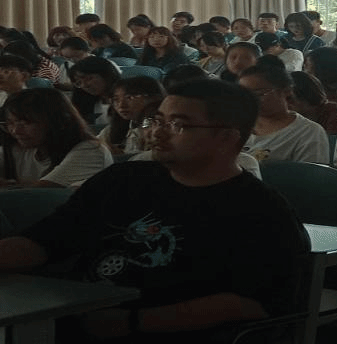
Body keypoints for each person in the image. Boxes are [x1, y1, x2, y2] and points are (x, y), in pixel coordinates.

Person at [0, 79, 309, 341]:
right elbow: (43, 241)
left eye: (178, 125)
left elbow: (251, 304)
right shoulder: (123, 180)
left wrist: (130, 322)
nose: (157, 133)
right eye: (157, 121)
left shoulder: (261, 211)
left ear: (227, 137)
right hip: (74, 316)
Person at [0, 88, 112, 187]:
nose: (15, 131)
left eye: (26, 123)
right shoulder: (18, 148)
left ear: (58, 121)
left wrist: (8, 186)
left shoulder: (91, 150)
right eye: (10, 123)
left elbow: (40, 192)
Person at [237, 60, 329, 164]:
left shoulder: (308, 132)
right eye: (243, 95)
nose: (250, 100)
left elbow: (310, 173)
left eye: (259, 94)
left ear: (286, 91)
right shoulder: (235, 126)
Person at [98, 76, 166, 156]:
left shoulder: (161, 129)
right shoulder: (112, 129)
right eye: (116, 99)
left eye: (129, 98)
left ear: (153, 98)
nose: (121, 105)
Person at [69, 55, 121, 125]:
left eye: (89, 78)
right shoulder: (84, 103)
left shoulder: (126, 99)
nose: (84, 85)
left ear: (106, 75)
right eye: (79, 83)